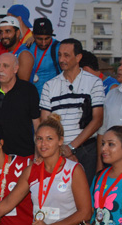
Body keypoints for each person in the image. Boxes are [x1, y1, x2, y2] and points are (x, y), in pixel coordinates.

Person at [0, 115, 92, 225]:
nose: (43, 144)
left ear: (60, 141)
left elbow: (85, 212)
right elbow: (7, 204)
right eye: (39, 139)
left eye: (49, 139)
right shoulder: (31, 170)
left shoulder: (74, 169)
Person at [40, 38, 105, 183]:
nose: (61, 59)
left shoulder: (94, 82)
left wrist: (71, 147)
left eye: (66, 55)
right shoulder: (49, 85)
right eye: (59, 55)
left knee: (84, 197)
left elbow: (98, 119)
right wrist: (59, 149)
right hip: (57, 151)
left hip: (86, 149)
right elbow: (45, 122)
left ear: (78, 57)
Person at [0, 53, 41, 157]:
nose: (0, 70)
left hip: (24, 154)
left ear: (15, 69)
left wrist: (38, 154)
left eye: (5, 66)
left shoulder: (28, 90)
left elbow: (37, 125)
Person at [29, 18, 61, 96]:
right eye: (39, 39)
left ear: (52, 32)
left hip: (52, 99)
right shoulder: (27, 47)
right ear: (33, 35)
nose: (43, 43)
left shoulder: (59, 48)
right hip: (32, 100)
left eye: (47, 38)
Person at [0, 16, 34, 83]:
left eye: (8, 31)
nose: (3, 36)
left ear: (17, 33)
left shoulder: (24, 54)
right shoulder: (5, 53)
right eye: (1, 32)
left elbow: (22, 86)